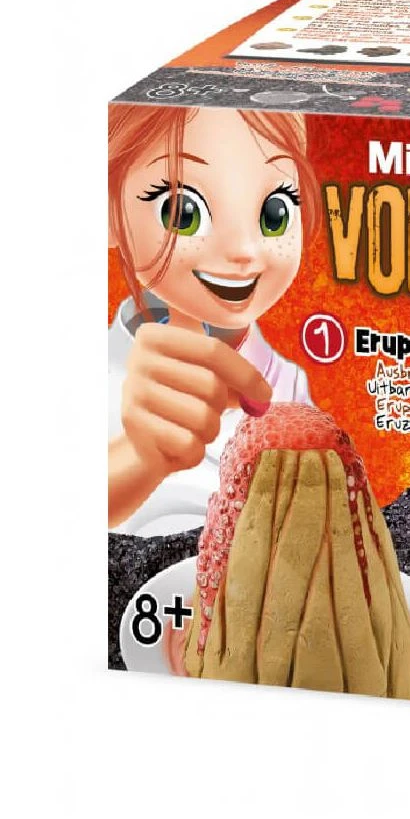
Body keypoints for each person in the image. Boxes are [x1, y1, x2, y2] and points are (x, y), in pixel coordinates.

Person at [108, 105, 318, 534]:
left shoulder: (289, 385)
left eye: (275, 214)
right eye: (182, 213)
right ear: (109, 213)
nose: (243, 250)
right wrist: (139, 455)